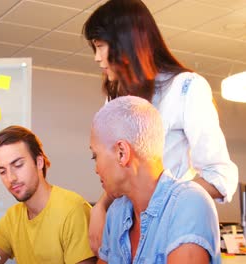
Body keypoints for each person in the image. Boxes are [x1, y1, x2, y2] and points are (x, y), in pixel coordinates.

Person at [82, 0, 238, 252]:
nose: (97, 58)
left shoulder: (186, 87)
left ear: (127, 41)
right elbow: (122, 169)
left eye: (100, 46)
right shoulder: (117, 97)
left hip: (171, 227)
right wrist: (101, 206)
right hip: (125, 225)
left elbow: (220, 176)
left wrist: (165, 205)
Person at [90, 96, 221, 263]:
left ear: (121, 152)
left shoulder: (189, 202)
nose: (95, 169)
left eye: (95, 155)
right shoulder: (116, 213)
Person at [0, 125, 96, 263]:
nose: (11, 178)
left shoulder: (72, 209)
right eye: (2, 171)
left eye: (18, 165)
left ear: (39, 162)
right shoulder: (13, 218)